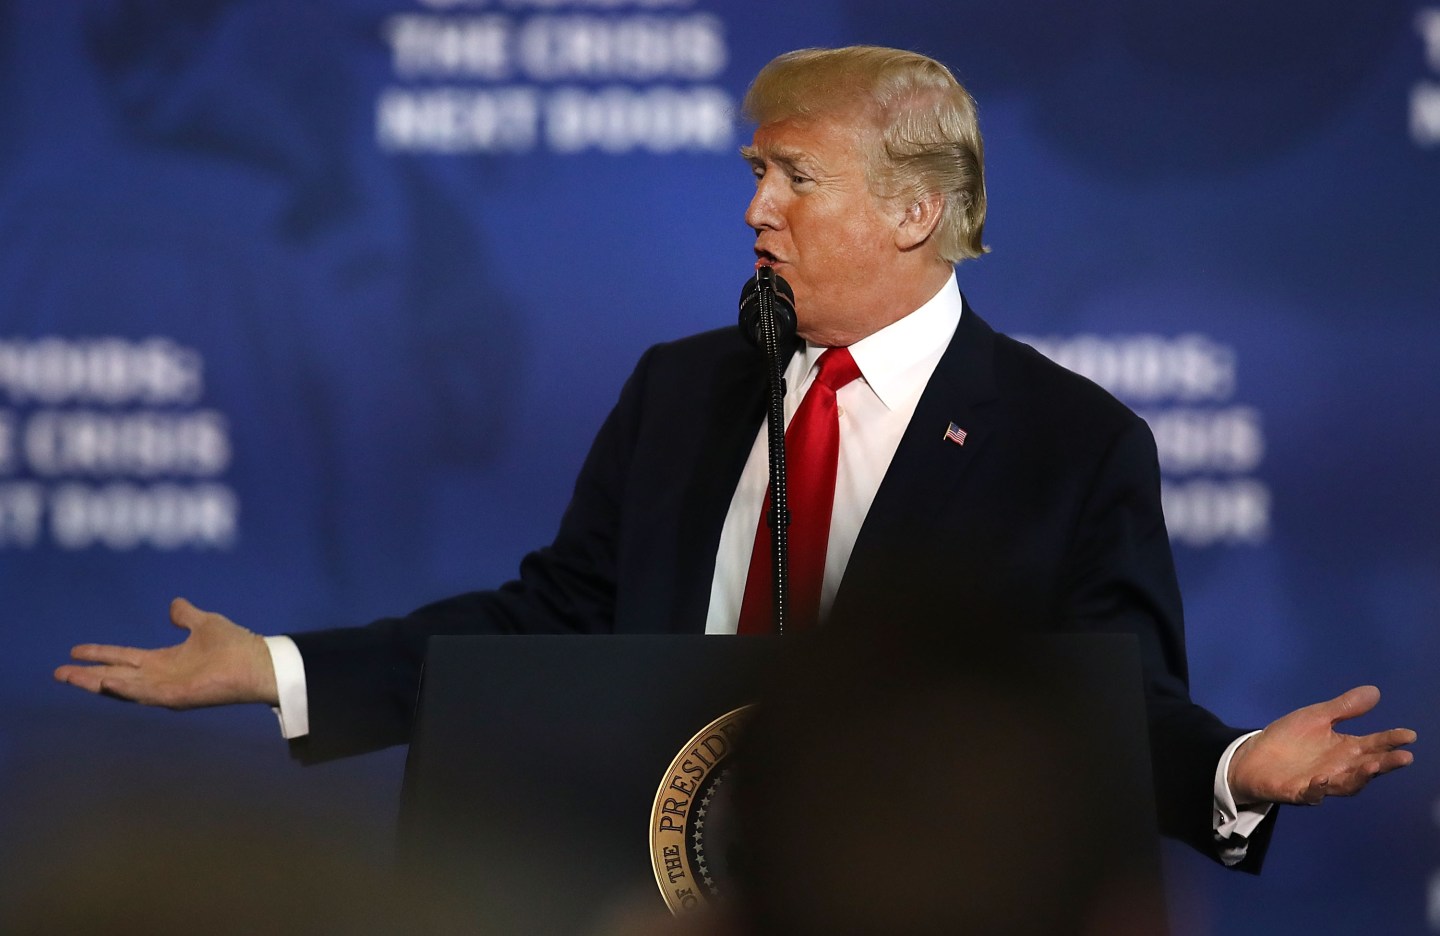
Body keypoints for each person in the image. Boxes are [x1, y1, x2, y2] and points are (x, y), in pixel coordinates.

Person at [55, 46, 1413, 871]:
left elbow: (1104, 705)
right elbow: (550, 626)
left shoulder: (1070, 443)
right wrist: (280, 669)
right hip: (649, 887)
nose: (756, 210)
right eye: (754, 174)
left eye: (793, 179)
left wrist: (1237, 768)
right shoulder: (685, 390)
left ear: (913, 209)